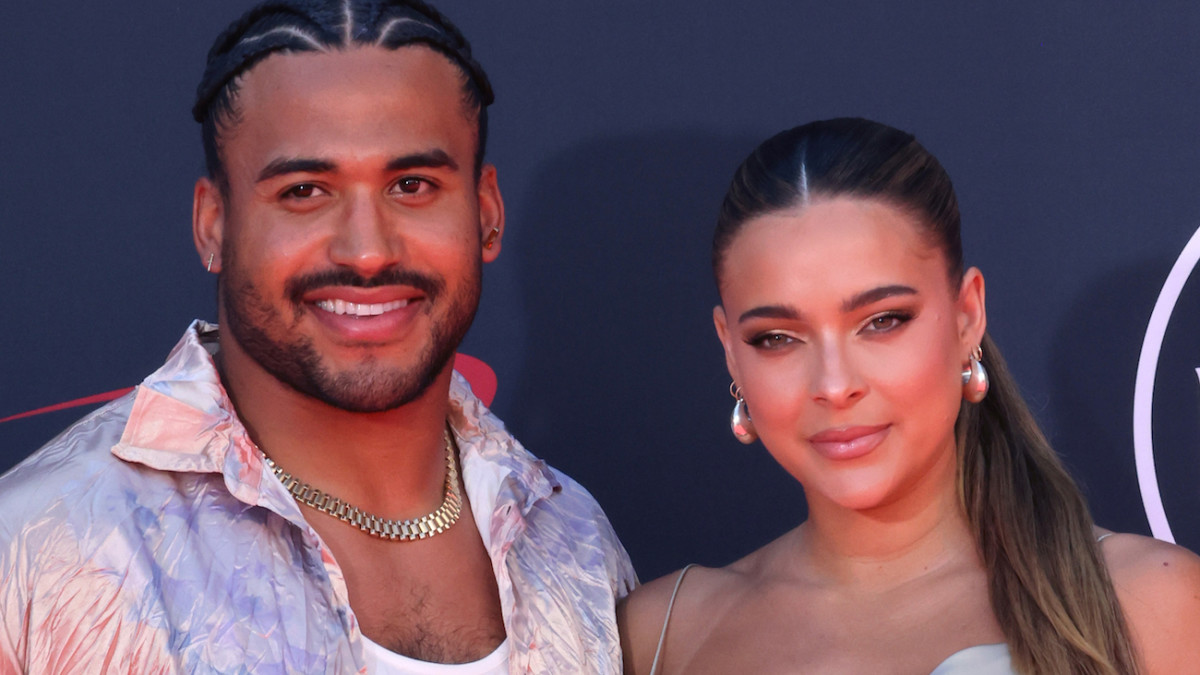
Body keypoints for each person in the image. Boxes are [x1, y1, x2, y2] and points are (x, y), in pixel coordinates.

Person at [0, 1, 635, 672]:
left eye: (412, 185)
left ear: (486, 212)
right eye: (305, 191)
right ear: (214, 224)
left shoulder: (574, 537)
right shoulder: (41, 549)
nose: (366, 251)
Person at [617, 118, 1200, 674]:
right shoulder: (661, 634)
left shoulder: (1148, 603)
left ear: (967, 315)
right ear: (730, 351)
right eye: (777, 338)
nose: (834, 384)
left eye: (882, 321)